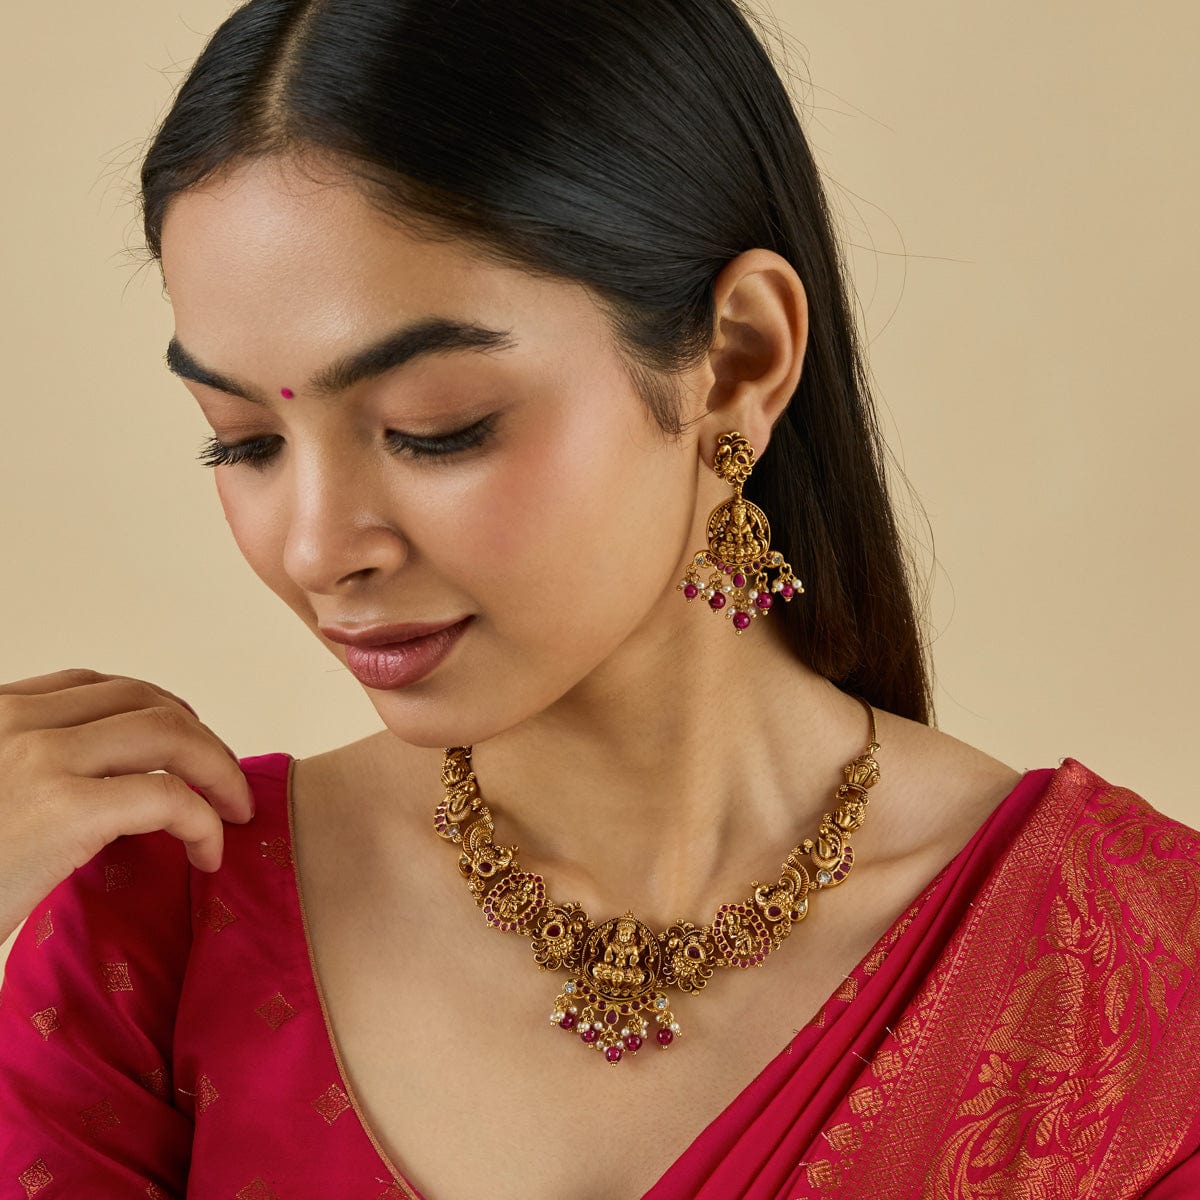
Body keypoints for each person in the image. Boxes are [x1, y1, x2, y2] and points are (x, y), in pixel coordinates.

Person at [1, 1, 1197, 1196]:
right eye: (243, 441)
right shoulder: (159, 922)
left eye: (435, 427)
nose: (317, 550)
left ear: (740, 358)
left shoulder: (1136, 984)